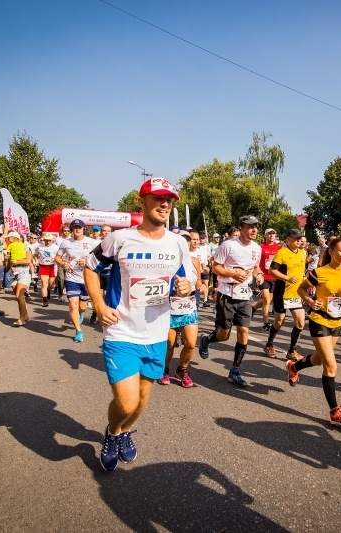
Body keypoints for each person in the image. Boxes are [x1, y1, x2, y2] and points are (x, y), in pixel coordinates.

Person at [84, 177, 194, 472]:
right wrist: (99, 305)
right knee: (127, 401)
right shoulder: (119, 239)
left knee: (143, 398)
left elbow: (191, 279)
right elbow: (90, 268)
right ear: (141, 201)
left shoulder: (178, 243)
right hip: (121, 332)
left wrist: (187, 287)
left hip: (158, 334)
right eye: (158, 198)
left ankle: (122, 432)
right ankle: (112, 431)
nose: (164, 204)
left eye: (169, 200)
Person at [286, 236, 341, 425]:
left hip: (336, 322)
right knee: (331, 366)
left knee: (319, 359)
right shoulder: (319, 272)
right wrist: (311, 301)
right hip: (319, 320)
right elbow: (301, 290)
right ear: (331, 252)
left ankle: (293, 366)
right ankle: (335, 412)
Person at [198, 215, 265, 388]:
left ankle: (235, 370)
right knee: (223, 335)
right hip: (226, 294)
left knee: (244, 333)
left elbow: (256, 266)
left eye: (256, 226)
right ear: (242, 228)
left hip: (245, 296)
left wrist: (258, 275)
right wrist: (233, 274)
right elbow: (215, 267)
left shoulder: (257, 248)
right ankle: (206, 339)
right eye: (250, 226)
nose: (254, 230)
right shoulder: (228, 245)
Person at [158, 232, 202, 388]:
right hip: (169, 305)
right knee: (170, 344)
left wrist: (199, 285)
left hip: (188, 305)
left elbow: (198, 281)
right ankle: (164, 369)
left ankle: (182, 370)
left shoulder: (195, 261)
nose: (186, 242)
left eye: (188, 240)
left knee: (190, 344)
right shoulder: (164, 261)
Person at [264, 228, 308, 361]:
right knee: (279, 321)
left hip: (296, 293)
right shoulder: (281, 253)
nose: (298, 241)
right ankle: (269, 344)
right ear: (288, 239)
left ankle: (291, 350)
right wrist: (287, 278)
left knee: (300, 322)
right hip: (282, 292)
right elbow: (272, 271)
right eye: (295, 238)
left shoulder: (303, 253)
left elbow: (302, 271)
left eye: (300, 238)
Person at [55, 219, 100, 342]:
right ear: (71, 229)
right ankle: (78, 331)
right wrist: (63, 263)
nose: (77, 229)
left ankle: (81, 313)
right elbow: (57, 258)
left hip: (87, 278)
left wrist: (87, 263)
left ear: (83, 228)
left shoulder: (92, 243)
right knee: (72, 305)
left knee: (82, 306)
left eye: (79, 227)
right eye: (75, 227)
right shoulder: (65, 243)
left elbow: (99, 259)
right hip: (71, 278)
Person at [252, 228, 282, 332]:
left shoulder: (279, 248)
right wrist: (257, 275)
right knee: (266, 299)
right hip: (264, 277)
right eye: (269, 234)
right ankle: (265, 323)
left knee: (269, 299)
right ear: (265, 235)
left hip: (275, 277)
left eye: (273, 234)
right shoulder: (260, 247)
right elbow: (255, 263)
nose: (271, 236)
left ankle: (253, 308)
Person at [6, 231, 32, 326]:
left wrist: (16, 262)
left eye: (9, 238)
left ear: (14, 238)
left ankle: (21, 319)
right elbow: (9, 263)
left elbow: (28, 260)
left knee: (19, 296)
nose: (8, 239)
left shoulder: (26, 246)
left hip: (24, 271)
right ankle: (25, 315)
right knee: (19, 298)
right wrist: (7, 259)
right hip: (13, 273)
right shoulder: (10, 247)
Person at [36, 233, 60, 307]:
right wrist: (36, 260)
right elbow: (35, 254)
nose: (48, 242)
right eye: (46, 240)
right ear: (44, 240)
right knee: (44, 283)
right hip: (43, 266)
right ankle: (44, 300)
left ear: (52, 240)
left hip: (52, 266)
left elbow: (59, 256)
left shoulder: (56, 247)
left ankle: (48, 290)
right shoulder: (40, 247)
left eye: (49, 240)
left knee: (51, 284)